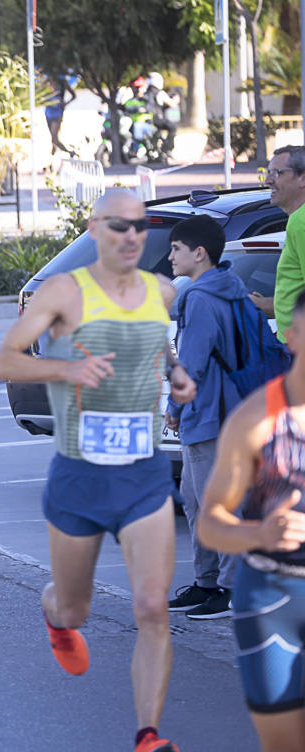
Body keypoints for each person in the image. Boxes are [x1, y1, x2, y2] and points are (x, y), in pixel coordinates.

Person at [0, 189, 196, 752]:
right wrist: (70, 368)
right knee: (76, 605)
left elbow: (163, 354)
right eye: (118, 226)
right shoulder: (63, 291)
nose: (131, 237)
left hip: (143, 476)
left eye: (140, 228)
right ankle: (55, 614)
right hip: (80, 479)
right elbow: (3, 361)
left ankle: (148, 735)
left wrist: (176, 378)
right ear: (94, 228)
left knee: (153, 607)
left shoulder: (162, 291)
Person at [198, 290, 305, 752]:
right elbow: (210, 523)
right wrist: (260, 533)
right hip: (273, 597)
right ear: (293, 336)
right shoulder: (256, 419)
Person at [164, 217, 244, 620]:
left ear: (199, 253)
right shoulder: (231, 287)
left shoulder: (200, 297)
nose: (169, 256)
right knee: (196, 501)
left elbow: (191, 365)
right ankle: (207, 582)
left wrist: (174, 410)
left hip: (208, 413)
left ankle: (229, 590)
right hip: (224, 411)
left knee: (212, 505)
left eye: (176, 248)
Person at [251, 147, 305, 334]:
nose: (268, 181)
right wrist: (262, 304)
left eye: (277, 173)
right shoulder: (297, 220)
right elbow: (296, 295)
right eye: (268, 173)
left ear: (303, 178)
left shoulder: (301, 221)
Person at [45, 76, 74, 157]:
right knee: (53, 138)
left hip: (57, 113)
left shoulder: (62, 82)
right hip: (48, 113)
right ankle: (55, 151)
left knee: (54, 138)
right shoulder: (47, 81)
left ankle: (69, 152)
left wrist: (65, 103)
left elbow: (73, 95)